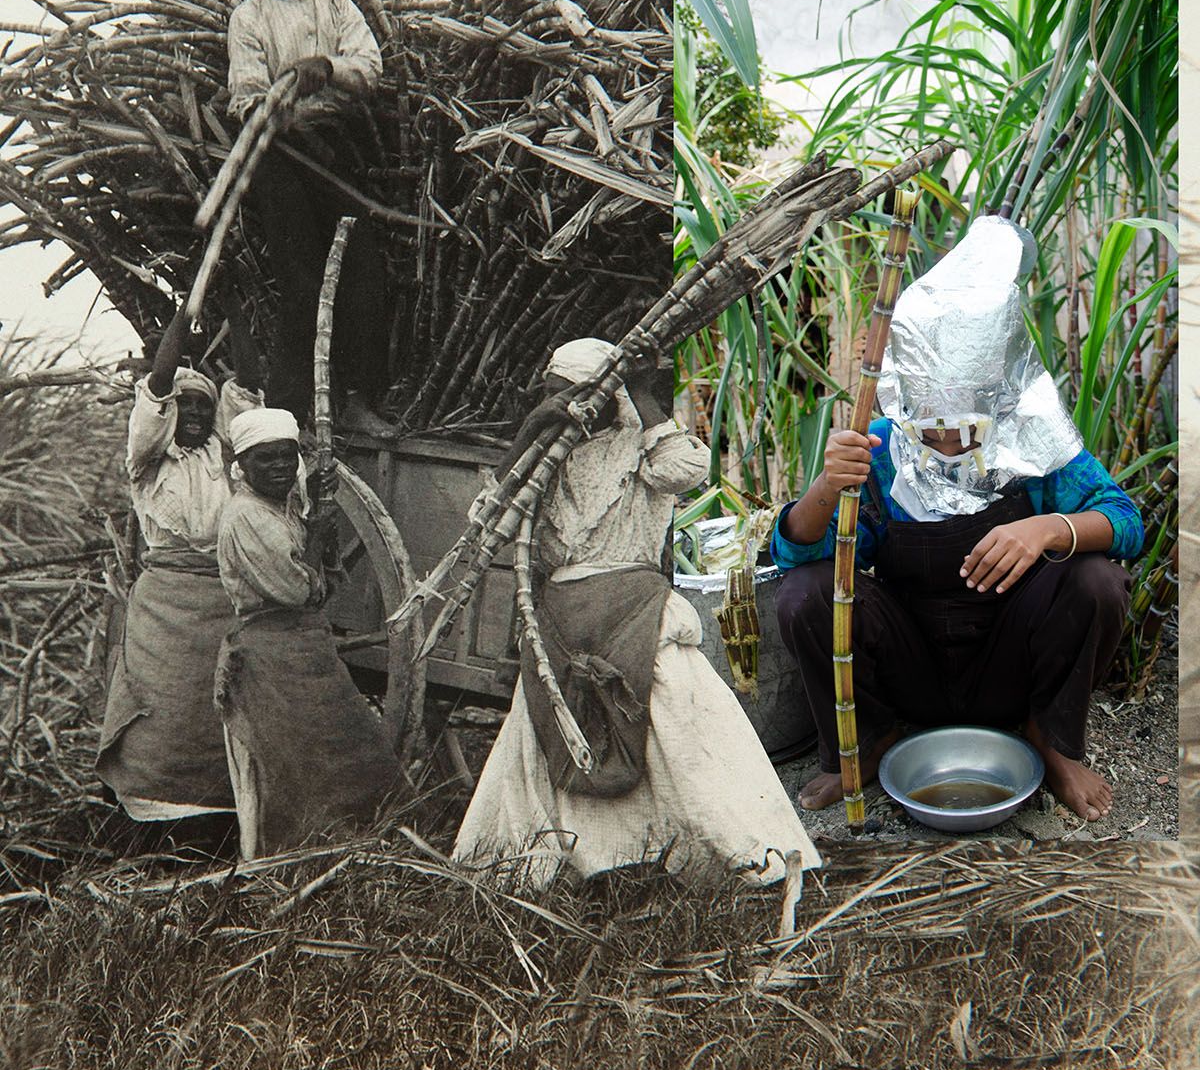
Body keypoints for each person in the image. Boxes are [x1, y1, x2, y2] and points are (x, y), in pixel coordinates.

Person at [772, 216, 1144, 823]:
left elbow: (1125, 520)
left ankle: (1048, 740)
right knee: (805, 595)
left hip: (1009, 660)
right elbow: (799, 559)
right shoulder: (882, 448)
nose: (944, 440)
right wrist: (823, 488)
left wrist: (1048, 529)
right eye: (929, 424)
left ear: (993, 396)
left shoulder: (1030, 437)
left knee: (1097, 578)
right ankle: (871, 740)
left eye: (963, 426)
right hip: (911, 663)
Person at [453, 338, 821, 888]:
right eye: (558, 397)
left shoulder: (642, 450)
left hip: (635, 613)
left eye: (582, 398)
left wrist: (639, 392)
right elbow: (489, 520)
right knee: (555, 727)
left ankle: (733, 859)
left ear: (609, 398)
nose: (572, 410)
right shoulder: (543, 461)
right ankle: (574, 860)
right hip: (560, 619)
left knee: (679, 725)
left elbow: (687, 469)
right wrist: (534, 428)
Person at [98, 287, 262, 836]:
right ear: (168, 416)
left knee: (218, 716)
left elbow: (249, 389)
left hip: (224, 602)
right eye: (185, 405)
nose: (193, 412)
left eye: (204, 406)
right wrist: (186, 311)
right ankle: (146, 822)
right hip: (164, 611)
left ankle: (218, 825)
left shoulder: (225, 457)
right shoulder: (148, 461)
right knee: (160, 715)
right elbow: (158, 386)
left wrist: (238, 311)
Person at [226, 0, 393, 434]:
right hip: (280, 154)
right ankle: (288, 412)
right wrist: (283, 118)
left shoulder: (338, 7)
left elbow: (368, 69)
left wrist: (327, 68)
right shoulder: (250, 17)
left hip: (340, 148)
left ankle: (359, 402)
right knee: (299, 283)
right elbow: (245, 96)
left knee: (364, 274)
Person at [214, 407, 402, 858]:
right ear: (242, 465)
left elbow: (323, 581)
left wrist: (315, 512)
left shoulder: (281, 507)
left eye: (286, 456)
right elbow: (296, 590)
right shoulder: (245, 518)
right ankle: (291, 856)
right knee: (288, 762)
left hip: (307, 651)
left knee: (344, 749)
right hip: (271, 657)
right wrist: (316, 534)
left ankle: (350, 844)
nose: (280, 467)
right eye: (265, 459)